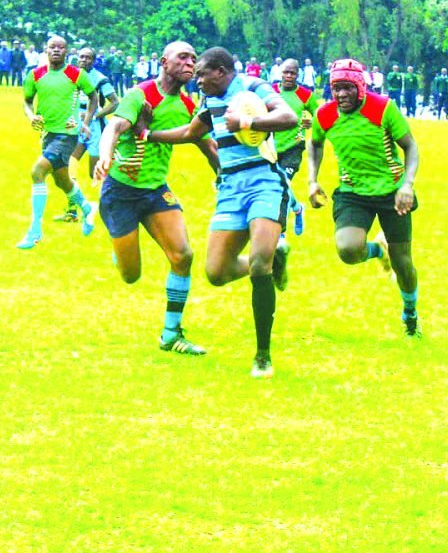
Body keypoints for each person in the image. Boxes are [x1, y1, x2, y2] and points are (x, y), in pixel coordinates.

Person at [138, 46, 298, 378]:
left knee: (259, 263)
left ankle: (262, 356)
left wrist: (247, 121)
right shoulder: (209, 101)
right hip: (230, 189)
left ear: (221, 72)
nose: (196, 81)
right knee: (216, 272)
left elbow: (289, 118)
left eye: (201, 75)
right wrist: (145, 134)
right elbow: (188, 133)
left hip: (264, 182)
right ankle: (274, 259)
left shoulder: (253, 88)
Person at [93, 41, 217, 356]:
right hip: (120, 192)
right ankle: (119, 249)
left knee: (183, 256)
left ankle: (171, 334)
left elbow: (207, 145)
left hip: (155, 190)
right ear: (164, 62)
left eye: (193, 58)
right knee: (130, 274)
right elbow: (114, 127)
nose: (190, 63)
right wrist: (105, 157)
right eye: (183, 57)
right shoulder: (140, 95)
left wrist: (226, 175)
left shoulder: (188, 107)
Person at [305, 58, 422, 339]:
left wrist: (407, 184)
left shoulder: (383, 108)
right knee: (348, 250)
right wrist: (312, 180)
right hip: (352, 192)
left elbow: (410, 146)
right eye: (336, 88)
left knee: (403, 263)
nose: (341, 94)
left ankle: (410, 312)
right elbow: (315, 144)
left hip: (392, 193)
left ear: (360, 87)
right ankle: (378, 251)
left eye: (347, 88)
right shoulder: (325, 115)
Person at [16, 35, 98, 249]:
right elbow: (26, 101)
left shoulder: (76, 74)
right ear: (46, 49)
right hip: (48, 134)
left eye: (61, 47)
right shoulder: (35, 75)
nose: (56, 50)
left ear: (67, 51)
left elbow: (93, 97)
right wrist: (31, 116)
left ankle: (34, 231)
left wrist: (86, 122)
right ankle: (87, 208)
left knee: (37, 172)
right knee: (62, 181)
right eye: (52, 47)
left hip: (68, 134)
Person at [54, 47, 120, 223]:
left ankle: (114, 209)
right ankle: (72, 211)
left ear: (93, 60)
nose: (84, 60)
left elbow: (115, 103)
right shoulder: (72, 76)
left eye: (88, 58)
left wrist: (95, 116)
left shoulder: (100, 79)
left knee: (95, 173)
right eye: (81, 57)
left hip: (95, 129)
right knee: (70, 166)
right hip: (77, 126)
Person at [272, 58, 319, 237]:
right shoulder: (272, 91)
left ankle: (280, 232)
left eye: (292, 73)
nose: (289, 76)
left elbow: (320, 117)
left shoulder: (306, 95)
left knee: (282, 184)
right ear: (280, 73)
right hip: (272, 146)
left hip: (294, 146)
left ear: (298, 75)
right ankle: (298, 209)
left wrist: (310, 122)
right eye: (286, 72)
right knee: (276, 186)